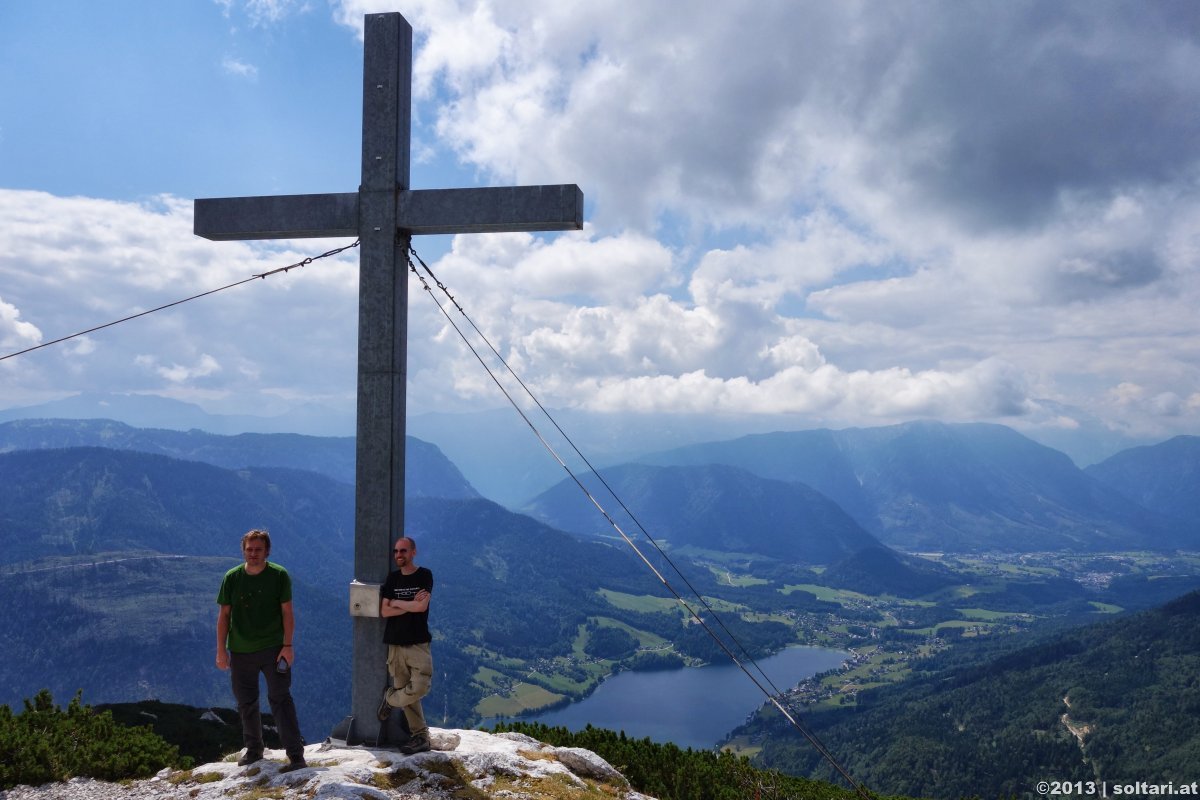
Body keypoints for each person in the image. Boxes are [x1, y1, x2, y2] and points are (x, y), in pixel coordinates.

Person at [216, 529, 307, 772]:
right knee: (246, 702)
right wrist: (221, 651)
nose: (253, 553)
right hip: (239, 650)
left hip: (273, 649)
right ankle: (254, 750)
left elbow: (287, 612)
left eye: (258, 549)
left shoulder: (279, 575)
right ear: (243, 550)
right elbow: (224, 615)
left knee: (280, 699)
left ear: (267, 551)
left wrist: (288, 646)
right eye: (249, 549)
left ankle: (296, 756)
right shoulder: (232, 577)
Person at [377, 535, 434, 755]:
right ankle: (420, 736)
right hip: (395, 644)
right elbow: (384, 611)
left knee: (420, 687)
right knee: (407, 693)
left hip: (418, 642)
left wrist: (398, 602)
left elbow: (421, 608)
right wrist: (410, 604)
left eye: (403, 551)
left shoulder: (424, 575)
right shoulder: (392, 579)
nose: (399, 555)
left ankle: (389, 698)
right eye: (396, 552)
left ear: (413, 552)